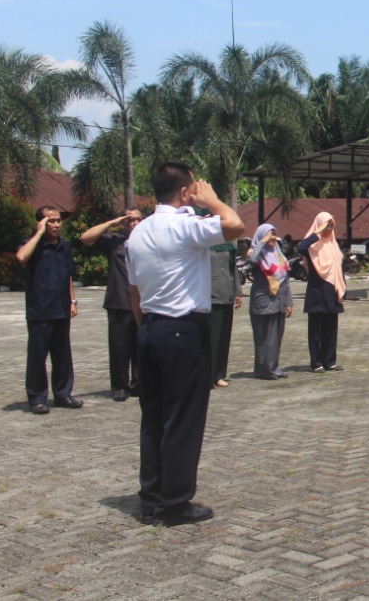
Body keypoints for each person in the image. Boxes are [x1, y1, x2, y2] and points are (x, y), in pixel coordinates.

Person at [126, 163, 244, 526]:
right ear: (183, 191)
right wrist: (213, 200)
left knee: (154, 418)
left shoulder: (138, 232)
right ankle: (174, 502)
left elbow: (134, 292)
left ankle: (151, 497)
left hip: (150, 327)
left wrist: (146, 329)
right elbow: (235, 226)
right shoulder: (184, 226)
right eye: (194, 186)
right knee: (183, 418)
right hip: (182, 330)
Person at [16, 205, 81, 414]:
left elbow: (68, 275)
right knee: (37, 357)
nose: (56, 224)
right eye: (51, 221)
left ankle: (63, 394)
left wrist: (72, 301)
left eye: (58, 220)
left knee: (63, 356)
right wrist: (38, 234)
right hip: (40, 310)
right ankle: (37, 398)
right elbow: (21, 258)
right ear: (41, 223)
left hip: (61, 307)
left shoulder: (64, 246)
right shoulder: (32, 245)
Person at [79, 208, 143, 402]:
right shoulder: (114, 241)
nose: (134, 223)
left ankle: (139, 385)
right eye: (130, 220)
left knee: (142, 347)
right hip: (119, 302)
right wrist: (112, 223)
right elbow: (86, 238)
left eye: (138, 219)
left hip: (144, 302)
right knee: (119, 349)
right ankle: (120, 386)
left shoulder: (149, 241)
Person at [298, 212, 347, 372]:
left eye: (331, 226)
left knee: (331, 329)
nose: (329, 229)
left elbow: (339, 269)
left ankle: (329, 361)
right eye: (327, 226)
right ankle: (316, 362)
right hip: (317, 292)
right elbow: (300, 247)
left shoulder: (333, 245)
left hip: (332, 291)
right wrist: (317, 233)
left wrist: (343, 289)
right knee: (316, 330)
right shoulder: (312, 245)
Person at [247, 223, 292, 380]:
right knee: (262, 338)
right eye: (269, 234)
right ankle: (264, 370)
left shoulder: (279, 256)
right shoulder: (255, 253)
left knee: (276, 337)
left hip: (279, 301)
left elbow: (285, 281)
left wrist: (289, 302)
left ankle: (273, 367)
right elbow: (252, 259)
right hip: (262, 301)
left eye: (274, 234)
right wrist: (263, 242)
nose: (272, 237)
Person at [208, 238, 242, 388]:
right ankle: (208, 375)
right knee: (212, 338)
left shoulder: (230, 244)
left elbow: (233, 269)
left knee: (224, 337)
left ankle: (219, 374)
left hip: (227, 292)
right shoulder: (205, 243)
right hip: (210, 295)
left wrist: (237, 292)